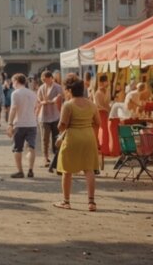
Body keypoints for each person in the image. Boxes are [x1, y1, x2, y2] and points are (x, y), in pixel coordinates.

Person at [53, 77, 101, 212]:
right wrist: (94, 136)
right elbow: (98, 122)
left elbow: (62, 125)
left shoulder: (68, 105)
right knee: (89, 169)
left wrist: (60, 126)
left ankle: (66, 201)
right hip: (88, 136)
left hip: (72, 138)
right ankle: (91, 202)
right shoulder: (91, 104)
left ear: (69, 90)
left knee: (67, 170)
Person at [6, 74, 38, 178]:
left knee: (17, 148)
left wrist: (10, 123)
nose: (12, 83)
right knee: (31, 147)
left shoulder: (15, 93)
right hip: (32, 124)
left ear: (16, 81)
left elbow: (13, 109)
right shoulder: (33, 93)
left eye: (12, 81)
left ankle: (20, 171)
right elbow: (36, 108)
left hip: (19, 124)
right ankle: (31, 170)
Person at [37, 71, 63, 169]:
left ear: (51, 78)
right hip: (44, 116)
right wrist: (45, 101)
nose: (45, 81)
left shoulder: (57, 87)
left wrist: (51, 101)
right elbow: (39, 100)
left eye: (46, 79)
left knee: (56, 138)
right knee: (45, 138)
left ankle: (56, 157)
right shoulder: (41, 88)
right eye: (43, 80)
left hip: (55, 115)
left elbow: (59, 98)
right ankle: (45, 158)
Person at [94, 75, 112, 156]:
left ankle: (106, 149)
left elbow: (108, 102)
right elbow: (97, 105)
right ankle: (103, 149)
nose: (107, 83)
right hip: (100, 113)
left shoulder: (107, 91)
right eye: (105, 81)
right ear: (101, 82)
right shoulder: (97, 93)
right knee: (103, 131)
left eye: (107, 81)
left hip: (106, 113)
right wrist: (106, 109)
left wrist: (109, 110)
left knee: (106, 132)